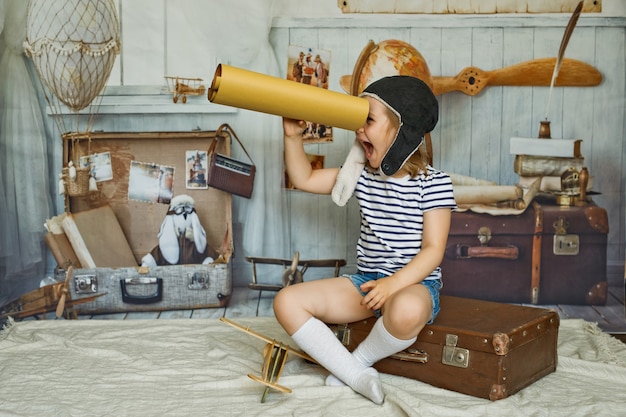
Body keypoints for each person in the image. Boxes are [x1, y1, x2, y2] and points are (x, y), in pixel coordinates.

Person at [273, 76, 456, 405]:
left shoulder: (436, 184)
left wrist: (394, 285)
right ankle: (355, 375)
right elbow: (304, 178)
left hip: (414, 283)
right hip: (366, 283)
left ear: (401, 131)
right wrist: (292, 137)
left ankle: (358, 362)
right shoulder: (359, 175)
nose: (359, 129)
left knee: (407, 309)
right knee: (286, 302)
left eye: (368, 120)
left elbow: (433, 250)